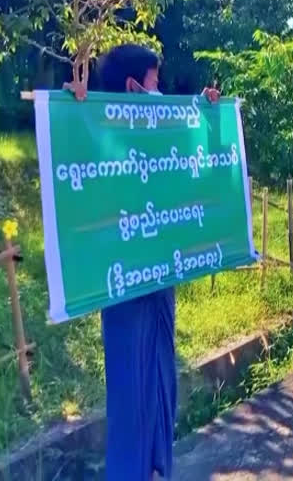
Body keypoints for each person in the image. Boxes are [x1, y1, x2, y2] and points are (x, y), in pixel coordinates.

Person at [65, 44, 219, 481]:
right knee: (131, 388)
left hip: (159, 278)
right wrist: (73, 113)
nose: (161, 90)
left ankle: (156, 469)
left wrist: (208, 118)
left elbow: (200, 168)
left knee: (161, 381)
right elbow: (75, 177)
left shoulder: (161, 137)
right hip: (124, 284)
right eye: (154, 82)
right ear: (133, 85)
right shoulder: (101, 138)